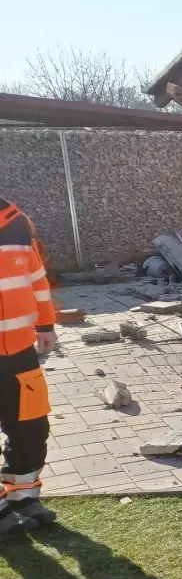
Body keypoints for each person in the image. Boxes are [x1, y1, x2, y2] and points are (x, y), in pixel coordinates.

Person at [0, 199, 57, 534]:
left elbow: (36, 278)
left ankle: (23, 497)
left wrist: (46, 326)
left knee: (32, 426)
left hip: (21, 352)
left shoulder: (16, 222)